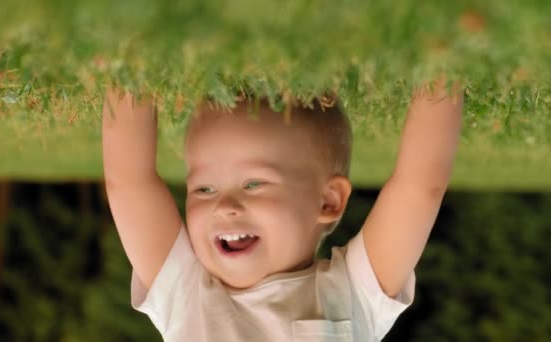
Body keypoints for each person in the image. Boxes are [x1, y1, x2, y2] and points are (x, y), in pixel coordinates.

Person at [101, 76, 463, 341]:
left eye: (254, 184)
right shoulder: (356, 299)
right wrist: (441, 72)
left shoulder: (183, 299)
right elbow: (419, 187)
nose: (224, 206)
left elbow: (130, 183)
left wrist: (129, 65)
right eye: (204, 188)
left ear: (328, 201)